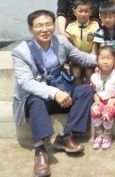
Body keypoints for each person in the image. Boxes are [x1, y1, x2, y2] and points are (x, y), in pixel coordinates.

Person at [12, 10, 96, 177]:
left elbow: (82, 58)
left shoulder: (61, 42)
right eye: (39, 26)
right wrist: (54, 92)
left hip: (62, 92)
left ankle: (66, 135)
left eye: (48, 24)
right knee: (36, 99)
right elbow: (26, 82)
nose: (45, 29)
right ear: (31, 29)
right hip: (36, 99)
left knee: (86, 90)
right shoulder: (21, 51)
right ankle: (40, 150)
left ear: (54, 25)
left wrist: (109, 61)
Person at [89, 46, 115, 150]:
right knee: (95, 110)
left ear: (114, 61)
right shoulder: (94, 76)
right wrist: (97, 101)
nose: (105, 61)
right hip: (102, 101)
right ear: (97, 60)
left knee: (106, 113)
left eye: (109, 58)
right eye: (102, 58)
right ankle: (99, 134)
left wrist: (112, 102)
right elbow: (95, 92)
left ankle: (108, 134)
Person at [65, 0, 99, 84]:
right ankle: (79, 93)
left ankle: (89, 93)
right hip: (76, 55)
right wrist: (71, 58)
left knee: (89, 73)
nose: (83, 14)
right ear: (74, 11)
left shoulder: (95, 25)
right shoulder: (70, 26)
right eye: (80, 11)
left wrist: (93, 55)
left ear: (91, 12)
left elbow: (96, 42)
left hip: (90, 55)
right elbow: (69, 44)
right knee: (76, 74)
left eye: (86, 11)